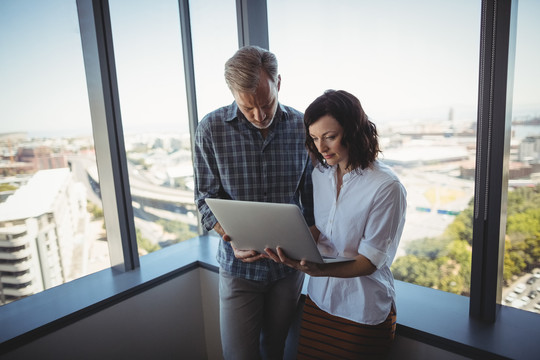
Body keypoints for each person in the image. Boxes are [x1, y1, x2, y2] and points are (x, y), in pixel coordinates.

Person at [193, 45, 314, 360]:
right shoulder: (210, 129)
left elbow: (312, 198)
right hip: (239, 269)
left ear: (278, 84)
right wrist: (227, 236)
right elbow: (204, 198)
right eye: (248, 108)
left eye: (267, 102)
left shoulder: (302, 127)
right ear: (232, 93)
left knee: (275, 351)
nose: (260, 115)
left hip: (289, 270)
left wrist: (313, 246)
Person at [266, 90, 407, 359]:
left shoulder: (386, 187)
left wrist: (319, 271)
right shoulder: (321, 174)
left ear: (354, 132)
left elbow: (370, 261)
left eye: (330, 137)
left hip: (362, 310)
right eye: (315, 138)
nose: (321, 147)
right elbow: (323, 228)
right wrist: (287, 240)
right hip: (319, 301)